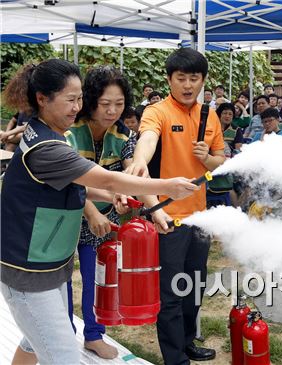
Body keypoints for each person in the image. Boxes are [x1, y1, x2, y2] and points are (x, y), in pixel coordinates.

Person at [0, 59, 199, 365]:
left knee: (33, 339)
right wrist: (167, 187)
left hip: (46, 261)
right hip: (29, 271)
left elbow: (79, 186)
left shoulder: (46, 133)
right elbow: (104, 177)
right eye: (70, 100)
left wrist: (117, 195)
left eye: (79, 99)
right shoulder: (50, 147)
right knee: (62, 355)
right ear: (42, 99)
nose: (76, 107)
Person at [125, 48, 225, 365]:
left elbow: (219, 160)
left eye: (193, 78)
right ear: (169, 79)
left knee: (194, 286)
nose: (187, 85)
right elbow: (148, 138)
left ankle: (187, 342)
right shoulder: (158, 112)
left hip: (201, 218)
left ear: (203, 81)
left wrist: (206, 158)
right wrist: (140, 161)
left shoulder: (210, 116)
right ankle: (174, 358)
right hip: (168, 217)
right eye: (180, 78)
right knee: (170, 294)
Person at [64, 65, 136, 360]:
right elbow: (69, 178)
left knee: (100, 276)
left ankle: (94, 334)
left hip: (108, 220)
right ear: (90, 100)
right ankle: (64, 334)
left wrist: (130, 190)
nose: (112, 111)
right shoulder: (69, 131)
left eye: (119, 104)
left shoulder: (123, 134)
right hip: (68, 218)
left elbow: (131, 168)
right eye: (105, 104)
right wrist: (92, 213)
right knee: (62, 281)